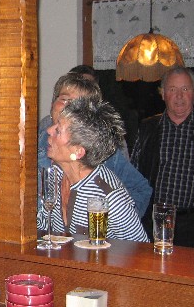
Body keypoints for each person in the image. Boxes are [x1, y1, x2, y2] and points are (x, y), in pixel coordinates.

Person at [0, 73, 152, 220]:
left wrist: (105, 224)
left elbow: (141, 190)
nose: (69, 108)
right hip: (36, 240)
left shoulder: (104, 153)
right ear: (52, 104)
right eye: (64, 99)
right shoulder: (29, 145)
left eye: (78, 104)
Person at [131, 67, 194, 249]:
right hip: (154, 222)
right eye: (172, 89)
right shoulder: (148, 129)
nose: (179, 96)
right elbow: (134, 176)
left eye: (185, 89)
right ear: (163, 94)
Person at [42, 97, 148, 241]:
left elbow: (139, 248)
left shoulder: (110, 196)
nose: (49, 130)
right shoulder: (55, 174)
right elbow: (42, 227)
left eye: (58, 130)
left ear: (78, 152)